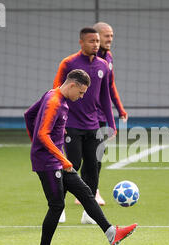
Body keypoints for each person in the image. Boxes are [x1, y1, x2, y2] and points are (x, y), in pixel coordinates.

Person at [24, 69, 136, 245]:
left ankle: (111, 233)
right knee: (57, 205)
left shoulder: (53, 95)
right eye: (81, 92)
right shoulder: (54, 102)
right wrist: (59, 157)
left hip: (55, 159)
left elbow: (28, 115)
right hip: (49, 162)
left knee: (84, 191)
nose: (81, 97)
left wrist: (39, 145)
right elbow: (43, 134)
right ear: (72, 85)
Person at [53, 27, 117, 224]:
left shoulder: (103, 66)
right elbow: (56, 91)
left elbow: (105, 97)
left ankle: (88, 214)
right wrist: (58, 119)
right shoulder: (68, 63)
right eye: (92, 41)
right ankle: (59, 208)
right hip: (71, 124)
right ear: (81, 42)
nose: (96, 44)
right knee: (72, 165)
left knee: (93, 168)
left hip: (94, 125)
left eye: (97, 41)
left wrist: (112, 123)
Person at [77, 22, 128, 207]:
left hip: (99, 117)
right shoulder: (86, 59)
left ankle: (91, 191)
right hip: (83, 117)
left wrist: (119, 109)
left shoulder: (108, 58)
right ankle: (85, 191)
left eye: (111, 36)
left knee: (96, 155)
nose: (109, 40)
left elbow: (109, 87)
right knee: (82, 157)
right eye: (106, 36)